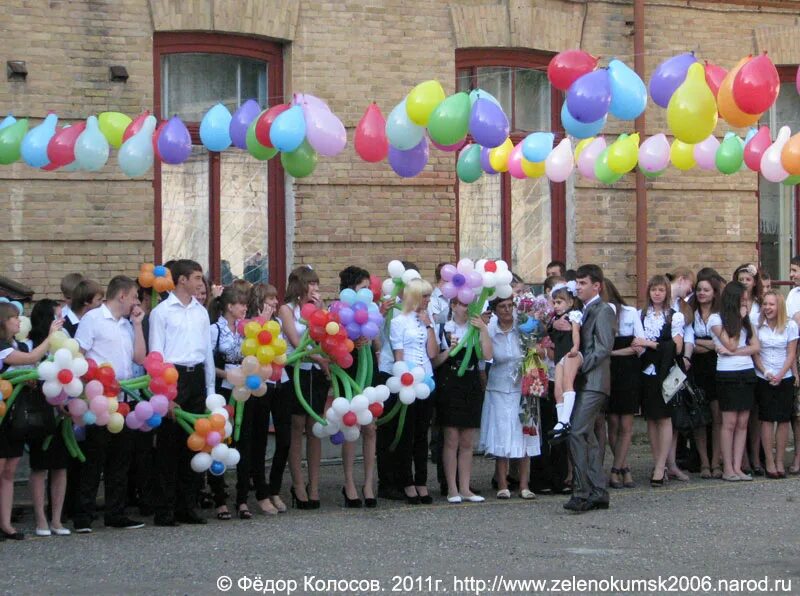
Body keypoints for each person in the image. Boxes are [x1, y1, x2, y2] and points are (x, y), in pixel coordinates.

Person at [73, 276, 146, 532]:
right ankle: (83, 515)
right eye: (135, 296)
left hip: (125, 399)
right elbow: (78, 355)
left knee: (120, 459)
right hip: (101, 399)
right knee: (95, 457)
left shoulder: (127, 324)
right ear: (122, 295)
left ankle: (116, 512)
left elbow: (140, 357)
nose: (137, 302)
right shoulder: (93, 320)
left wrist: (137, 325)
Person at [150, 260, 216, 526]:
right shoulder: (162, 312)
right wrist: (165, 395)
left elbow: (207, 353)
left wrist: (210, 390)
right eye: (197, 278)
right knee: (169, 445)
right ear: (182, 280)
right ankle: (164, 509)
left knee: (194, 441)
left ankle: (187, 505)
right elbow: (156, 354)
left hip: (196, 375)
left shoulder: (200, 312)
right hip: (172, 377)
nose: (201, 283)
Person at [0, 302, 62, 540]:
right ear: (3, 322)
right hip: (2, 412)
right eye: (14, 318)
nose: (19, 321)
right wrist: (51, 336)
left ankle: (6, 524)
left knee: (10, 469)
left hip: (15, 414)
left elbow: (29, 366)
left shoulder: (20, 343)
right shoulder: (3, 347)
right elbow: (32, 357)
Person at [563, 264, 615, 513]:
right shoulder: (580, 310)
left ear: (597, 286)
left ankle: (582, 491)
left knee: (577, 432)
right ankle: (598, 491)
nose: (578, 287)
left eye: (583, 283)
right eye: (578, 283)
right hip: (583, 381)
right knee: (590, 438)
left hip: (594, 381)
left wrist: (581, 364)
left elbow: (604, 347)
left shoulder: (603, 310)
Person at [279, 266, 329, 510]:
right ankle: (298, 484)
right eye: (311, 284)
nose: (315, 289)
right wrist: (319, 358)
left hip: (315, 374)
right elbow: (297, 342)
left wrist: (320, 312)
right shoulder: (286, 310)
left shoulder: (319, 309)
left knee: (315, 427)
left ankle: (315, 484)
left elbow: (327, 337)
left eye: (317, 284)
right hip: (295, 370)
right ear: (299, 286)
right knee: (297, 425)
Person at [433, 298, 492, 503]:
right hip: (449, 384)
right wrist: (449, 350)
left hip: (471, 383)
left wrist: (483, 329)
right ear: (453, 306)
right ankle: (452, 488)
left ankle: (465, 487)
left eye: (469, 305)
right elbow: (434, 361)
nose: (467, 309)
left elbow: (487, 355)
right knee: (451, 438)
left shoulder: (475, 327)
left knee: (467, 440)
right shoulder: (443, 328)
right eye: (463, 305)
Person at [483, 295, 538, 500]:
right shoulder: (490, 330)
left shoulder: (523, 326)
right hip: (498, 387)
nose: (507, 310)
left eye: (510, 306)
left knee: (524, 433)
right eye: (502, 307)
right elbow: (487, 357)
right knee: (501, 433)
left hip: (523, 387)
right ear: (495, 310)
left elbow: (537, 350)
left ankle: (524, 484)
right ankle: (502, 484)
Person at [633, 275, 686, 486]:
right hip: (646, 371)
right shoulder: (641, 314)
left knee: (664, 418)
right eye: (654, 289)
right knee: (651, 418)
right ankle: (658, 463)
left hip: (665, 373)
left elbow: (677, 347)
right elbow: (635, 341)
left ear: (667, 293)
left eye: (661, 290)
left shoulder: (675, 317)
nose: (657, 293)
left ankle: (661, 464)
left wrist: (650, 344)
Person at [390, 278, 439, 504]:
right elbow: (398, 354)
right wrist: (401, 378)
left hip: (426, 378)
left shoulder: (428, 321)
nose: (428, 300)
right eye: (425, 296)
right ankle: (406, 481)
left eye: (429, 296)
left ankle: (421, 481)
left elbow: (433, 353)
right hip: (408, 378)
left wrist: (429, 325)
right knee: (407, 433)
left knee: (422, 433)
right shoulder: (399, 321)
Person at [27, 299, 72, 537]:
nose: (61, 321)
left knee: (60, 466)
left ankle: (56, 518)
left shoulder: (63, 343)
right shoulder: (30, 344)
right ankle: (40, 518)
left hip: (61, 412)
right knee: (39, 466)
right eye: (57, 316)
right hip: (38, 410)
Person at [709, 281, 759, 482]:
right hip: (727, 374)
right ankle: (728, 467)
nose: (745, 303)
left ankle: (738, 467)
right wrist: (739, 319)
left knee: (743, 422)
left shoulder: (747, 321)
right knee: (729, 422)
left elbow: (755, 347)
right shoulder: (716, 319)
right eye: (742, 299)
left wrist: (734, 352)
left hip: (746, 372)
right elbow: (730, 342)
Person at [247, 283, 291, 514]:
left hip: (281, 383)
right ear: (259, 301)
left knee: (285, 439)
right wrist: (262, 323)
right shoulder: (250, 324)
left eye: (276, 298)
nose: (275, 303)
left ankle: (274, 488)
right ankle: (262, 493)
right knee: (259, 441)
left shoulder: (278, 323)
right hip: (260, 386)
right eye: (270, 299)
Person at [338, 266, 379, 508]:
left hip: (368, 362)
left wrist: (372, 340)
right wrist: (353, 340)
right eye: (363, 288)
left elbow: (376, 339)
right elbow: (334, 343)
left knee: (371, 426)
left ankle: (368, 482)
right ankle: (349, 482)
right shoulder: (340, 309)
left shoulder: (370, 307)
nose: (368, 292)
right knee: (351, 424)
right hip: (350, 365)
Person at [207, 286, 247, 520]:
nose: (244, 308)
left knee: (244, 440)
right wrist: (226, 375)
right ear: (229, 306)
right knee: (220, 440)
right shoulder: (215, 330)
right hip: (223, 389)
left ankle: (242, 499)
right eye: (241, 304)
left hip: (245, 390)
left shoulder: (246, 328)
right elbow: (208, 363)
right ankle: (219, 498)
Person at [604, 280, 644, 489]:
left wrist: (613, 352)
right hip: (609, 371)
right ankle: (624, 466)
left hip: (628, 370)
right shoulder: (597, 313)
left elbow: (640, 345)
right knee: (612, 422)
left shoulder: (630, 312)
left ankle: (616, 468)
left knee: (626, 424)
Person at [753, 290, 797, 478]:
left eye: (771, 304)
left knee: (784, 419)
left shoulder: (790, 325)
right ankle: (769, 461)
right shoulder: (756, 325)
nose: (767, 308)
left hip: (784, 376)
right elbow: (755, 352)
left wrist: (780, 374)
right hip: (763, 375)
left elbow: (791, 354)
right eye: (765, 304)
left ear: (779, 306)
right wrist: (766, 372)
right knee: (767, 419)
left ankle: (779, 460)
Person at [688, 274, 724, 478]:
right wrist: (708, 344)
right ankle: (703, 462)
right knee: (699, 416)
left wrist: (700, 343)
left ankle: (716, 461)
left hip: (717, 367)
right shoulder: (690, 313)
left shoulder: (720, 315)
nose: (701, 293)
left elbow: (721, 345)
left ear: (714, 293)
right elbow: (689, 344)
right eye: (699, 289)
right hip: (697, 368)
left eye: (706, 290)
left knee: (717, 416)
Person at [733, 263, 764, 475]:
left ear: (755, 282)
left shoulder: (761, 303)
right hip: (741, 360)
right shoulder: (731, 305)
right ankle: (741, 457)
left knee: (755, 414)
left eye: (748, 279)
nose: (744, 283)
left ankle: (756, 456)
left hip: (761, 360)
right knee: (740, 411)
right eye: (741, 279)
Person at [547, 283, 583, 443]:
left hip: (570, 352)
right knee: (558, 389)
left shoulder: (574, 314)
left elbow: (575, 332)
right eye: (554, 302)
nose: (556, 305)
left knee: (568, 382)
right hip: (559, 355)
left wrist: (575, 347)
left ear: (570, 302)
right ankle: (562, 423)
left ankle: (564, 420)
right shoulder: (554, 319)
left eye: (560, 302)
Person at [788, 256, 800, 474]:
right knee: (797, 413)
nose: (792, 275)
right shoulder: (792, 295)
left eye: (795, 270)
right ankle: (798, 456)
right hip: (796, 354)